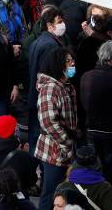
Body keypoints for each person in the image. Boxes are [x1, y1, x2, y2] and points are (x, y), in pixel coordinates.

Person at [80, 40, 112, 186]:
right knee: (110, 170)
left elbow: (84, 102)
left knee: (93, 167)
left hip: (91, 128)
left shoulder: (86, 77)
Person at [34, 47, 78, 210]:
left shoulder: (66, 86)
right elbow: (48, 121)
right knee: (51, 193)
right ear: (58, 64)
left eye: (72, 60)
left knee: (61, 192)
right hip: (54, 150)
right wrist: (66, 141)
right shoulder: (51, 88)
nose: (72, 64)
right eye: (68, 61)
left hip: (63, 149)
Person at [27, 6, 66, 153]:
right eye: (59, 21)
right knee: (41, 139)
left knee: (34, 137)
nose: (63, 25)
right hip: (44, 99)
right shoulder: (50, 45)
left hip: (34, 96)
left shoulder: (38, 42)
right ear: (50, 25)